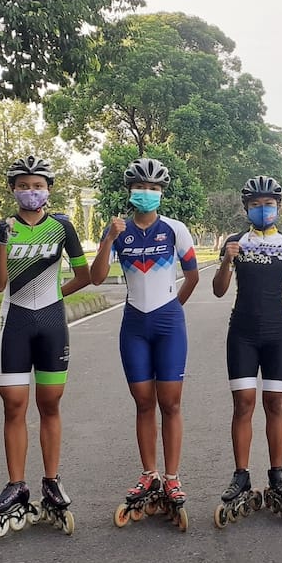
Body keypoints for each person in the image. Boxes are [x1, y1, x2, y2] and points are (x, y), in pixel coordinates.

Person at [0, 155, 90, 524]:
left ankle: (51, 481)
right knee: (13, 404)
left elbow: (85, 274)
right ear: (13, 189)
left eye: (38, 185)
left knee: (50, 404)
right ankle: (16, 484)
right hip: (15, 321)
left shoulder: (62, 227)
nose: (31, 191)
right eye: (24, 185)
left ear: (48, 189)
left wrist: (58, 293)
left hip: (51, 321)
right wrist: (0, 244)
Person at [90, 156, 199, 510]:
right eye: (141, 187)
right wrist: (109, 237)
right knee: (142, 403)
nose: (147, 193)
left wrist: (174, 310)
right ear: (130, 192)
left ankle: (172, 477)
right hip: (134, 324)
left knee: (170, 403)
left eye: (154, 188)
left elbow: (193, 275)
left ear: (161, 192)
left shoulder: (175, 229)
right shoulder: (119, 230)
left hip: (168, 323)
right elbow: (96, 276)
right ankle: (148, 473)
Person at [211, 176, 282, 511]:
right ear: (246, 209)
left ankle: (277, 472)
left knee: (275, 406)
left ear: (278, 207)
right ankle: (241, 474)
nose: (263, 209)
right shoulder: (235, 241)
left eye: (268, 204)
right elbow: (219, 289)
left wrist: (279, 306)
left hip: (277, 334)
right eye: (256, 205)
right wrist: (227, 259)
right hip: (242, 333)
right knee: (243, 405)